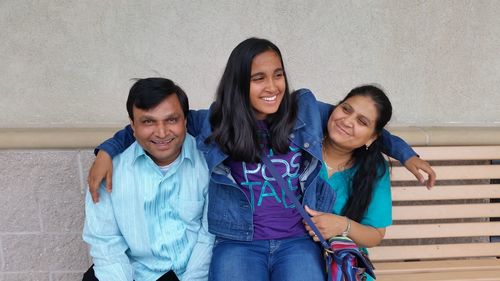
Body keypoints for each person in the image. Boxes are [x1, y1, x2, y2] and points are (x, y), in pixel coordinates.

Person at [86, 38, 436, 281]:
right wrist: (108, 149)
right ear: (240, 82)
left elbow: (360, 122)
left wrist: (405, 154)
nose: (272, 86)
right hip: (238, 241)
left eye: (278, 74)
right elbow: (160, 119)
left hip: (297, 241)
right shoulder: (214, 120)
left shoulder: (305, 111)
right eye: (258, 78)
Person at [82, 78, 214, 281]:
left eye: (171, 120)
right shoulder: (109, 171)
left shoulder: (208, 162)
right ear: (133, 126)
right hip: (134, 273)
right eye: (148, 122)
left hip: (195, 274)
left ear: (185, 121)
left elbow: (209, 237)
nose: (161, 133)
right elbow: (106, 244)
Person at [304, 85, 396, 280]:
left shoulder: (374, 169)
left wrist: (342, 226)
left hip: (340, 262)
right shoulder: (301, 147)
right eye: (346, 109)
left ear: (372, 137)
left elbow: (375, 234)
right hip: (291, 254)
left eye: (362, 121)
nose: (347, 121)